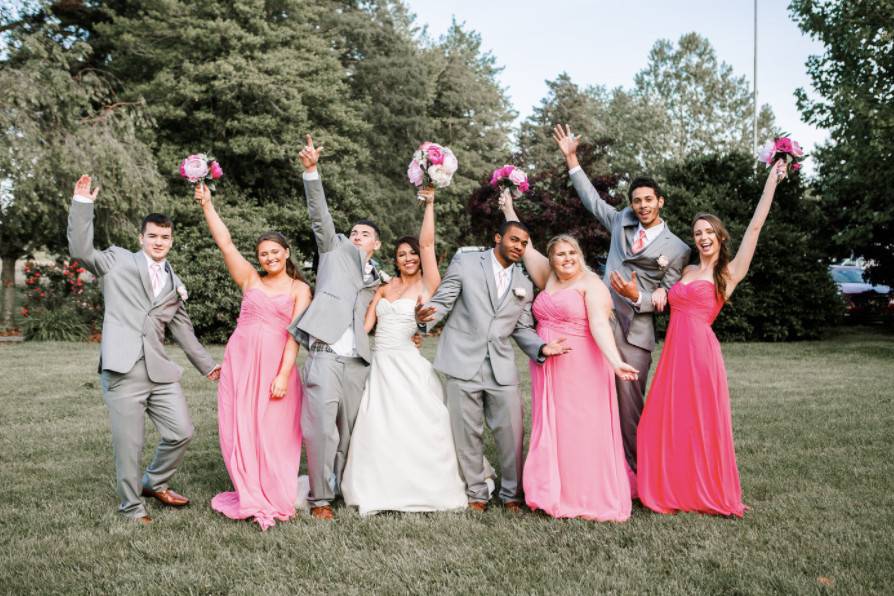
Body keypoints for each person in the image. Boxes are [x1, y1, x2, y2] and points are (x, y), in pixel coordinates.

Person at [637, 160, 787, 518]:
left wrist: (771, 182)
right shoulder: (687, 269)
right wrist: (659, 292)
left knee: (700, 424)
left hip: (701, 354)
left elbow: (754, 228)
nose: (702, 237)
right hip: (675, 354)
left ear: (720, 237)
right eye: (698, 232)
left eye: (709, 232)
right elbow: (665, 291)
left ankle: (705, 490)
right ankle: (670, 487)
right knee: (659, 423)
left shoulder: (729, 273)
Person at [67, 175, 219, 525]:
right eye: (153, 236)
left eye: (165, 237)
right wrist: (81, 205)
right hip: (122, 370)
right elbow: (80, 250)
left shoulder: (173, 282)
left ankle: (154, 481)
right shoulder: (117, 260)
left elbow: (183, 329)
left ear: (171, 240)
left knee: (182, 431)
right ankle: (132, 507)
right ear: (142, 238)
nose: (159, 242)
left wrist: (208, 365)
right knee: (129, 445)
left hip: (160, 372)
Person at [553, 124, 690, 474]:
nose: (642, 206)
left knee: (629, 403)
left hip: (635, 333)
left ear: (660, 202)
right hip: (596, 321)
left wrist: (639, 296)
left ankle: (636, 472)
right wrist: (572, 159)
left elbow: (670, 296)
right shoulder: (620, 222)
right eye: (636, 200)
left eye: (648, 200)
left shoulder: (677, 249)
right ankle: (595, 468)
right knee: (589, 395)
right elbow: (592, 201)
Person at [499, 192, 637, 521]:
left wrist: (615, 361)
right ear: (552, 260)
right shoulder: (548, 278)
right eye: (559, 254)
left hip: (583, 366)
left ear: (580, 256)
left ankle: (586, 494)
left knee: (583, 429)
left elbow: (601, 326)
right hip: (549, 365)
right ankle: (553, 489)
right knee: (555, 428)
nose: (566, 258)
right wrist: (507, 208)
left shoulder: (591, 284)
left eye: (572, 252)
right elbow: (527, 246)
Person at [415, 220, 570, 512]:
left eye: (524, 243)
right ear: (498, 237)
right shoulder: (466, 262)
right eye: (514, 240)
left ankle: (511, 493)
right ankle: (477, 493)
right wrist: (426, 317)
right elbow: (445, 299)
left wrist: (540, 347)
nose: (519, 247)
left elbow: (522, 327)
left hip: (501, 367)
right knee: (466, 432)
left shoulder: (524, 284)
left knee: (511, 434)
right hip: (462, 361)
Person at [341, 187, 469, 515]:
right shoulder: (382, 288)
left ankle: (422, 484)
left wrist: (430, 204)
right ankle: (378, 485)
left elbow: (427, 243)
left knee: (417, 424)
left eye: (411, 254)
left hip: (408, 364)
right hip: (380, 365)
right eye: (401, 254)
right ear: (394, 259)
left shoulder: (428, 284)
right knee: (377, 425)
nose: (408, 258)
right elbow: (365, 326)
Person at [194, 183, 311, 530]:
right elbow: (225, 243)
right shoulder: (249, 279)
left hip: (278, 368)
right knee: (242, 428)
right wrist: (208, 206)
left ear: (286, 253)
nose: (269, 258)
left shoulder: (299, 289)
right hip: (242, 365)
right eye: (263, 253)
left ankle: (274, 493)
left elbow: (296, 335)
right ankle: (248, 489)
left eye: (275, 252)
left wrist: (282, 374)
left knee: (274, 433)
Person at [287, 134, 384, 520]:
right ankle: (321, 499)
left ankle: (341, 487)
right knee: (321, 431)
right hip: (325, 354)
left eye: (365, 234)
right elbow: (319, 217)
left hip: (358, 362)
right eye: (354, 232)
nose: (357, 236)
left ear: (376, 244)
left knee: (349, 431)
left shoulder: (378, 277)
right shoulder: (334, 251)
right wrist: (312, 172)